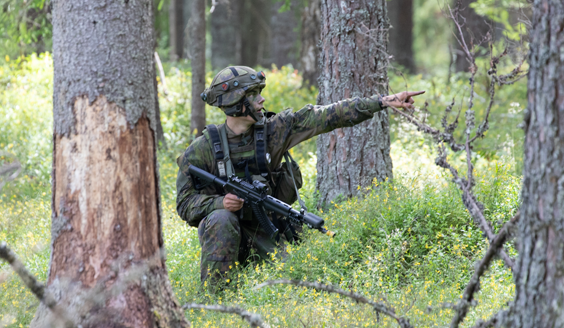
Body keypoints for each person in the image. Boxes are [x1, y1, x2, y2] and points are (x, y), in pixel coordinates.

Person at [175, 66, 424, 286]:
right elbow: (184, 203)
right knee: (220, 218)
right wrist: (221, 203)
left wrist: (382, 101)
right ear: (234, 103)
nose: (262, 100)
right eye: (253, 95)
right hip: (226, 235)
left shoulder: (275, 130)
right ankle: (219, 297)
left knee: (301, 279)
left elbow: (326, 116)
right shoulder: (202, 149)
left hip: (269, 228)